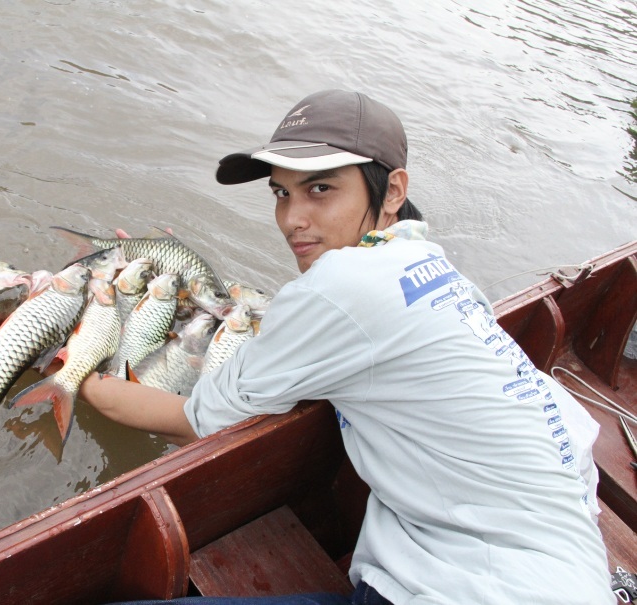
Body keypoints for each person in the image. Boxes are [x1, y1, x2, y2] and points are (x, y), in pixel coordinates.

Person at [75, 89, 613, 604]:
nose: (292, 219)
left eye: (321, 189)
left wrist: (76, 369)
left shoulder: (339, 286)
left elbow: (198, 419)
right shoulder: (438, 271)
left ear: (393, 190)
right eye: (282, 193)